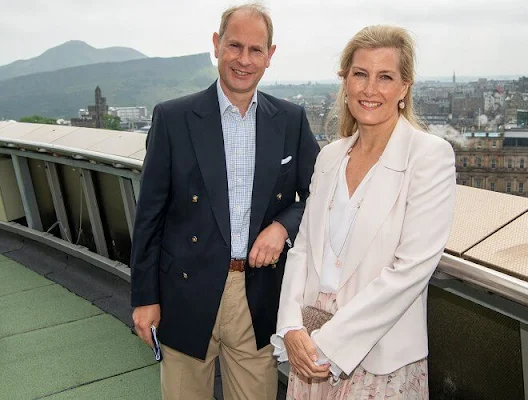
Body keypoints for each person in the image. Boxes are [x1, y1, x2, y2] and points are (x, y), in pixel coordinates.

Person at [130, 3, 319, 399]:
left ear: (270, 55)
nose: (244, 60)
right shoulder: (173, 118)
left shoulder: (290, 120)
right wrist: (145, 299)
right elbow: (149, 216)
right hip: (185, 291)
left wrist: (283, 226)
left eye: (255, 50)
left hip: (258, 293)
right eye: (235, 46)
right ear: (216, 46)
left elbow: (321, 196)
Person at [272, 25, 456, 399]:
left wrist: (327, 344)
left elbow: (410, 271)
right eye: (360, 74)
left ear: (404, 87)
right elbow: (303, 249)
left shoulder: (429, 156)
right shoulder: (330, 157)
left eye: (385, 77)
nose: (370, 89)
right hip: (309, 351)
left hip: (379, 361)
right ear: (345, 81)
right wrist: (291, 328)